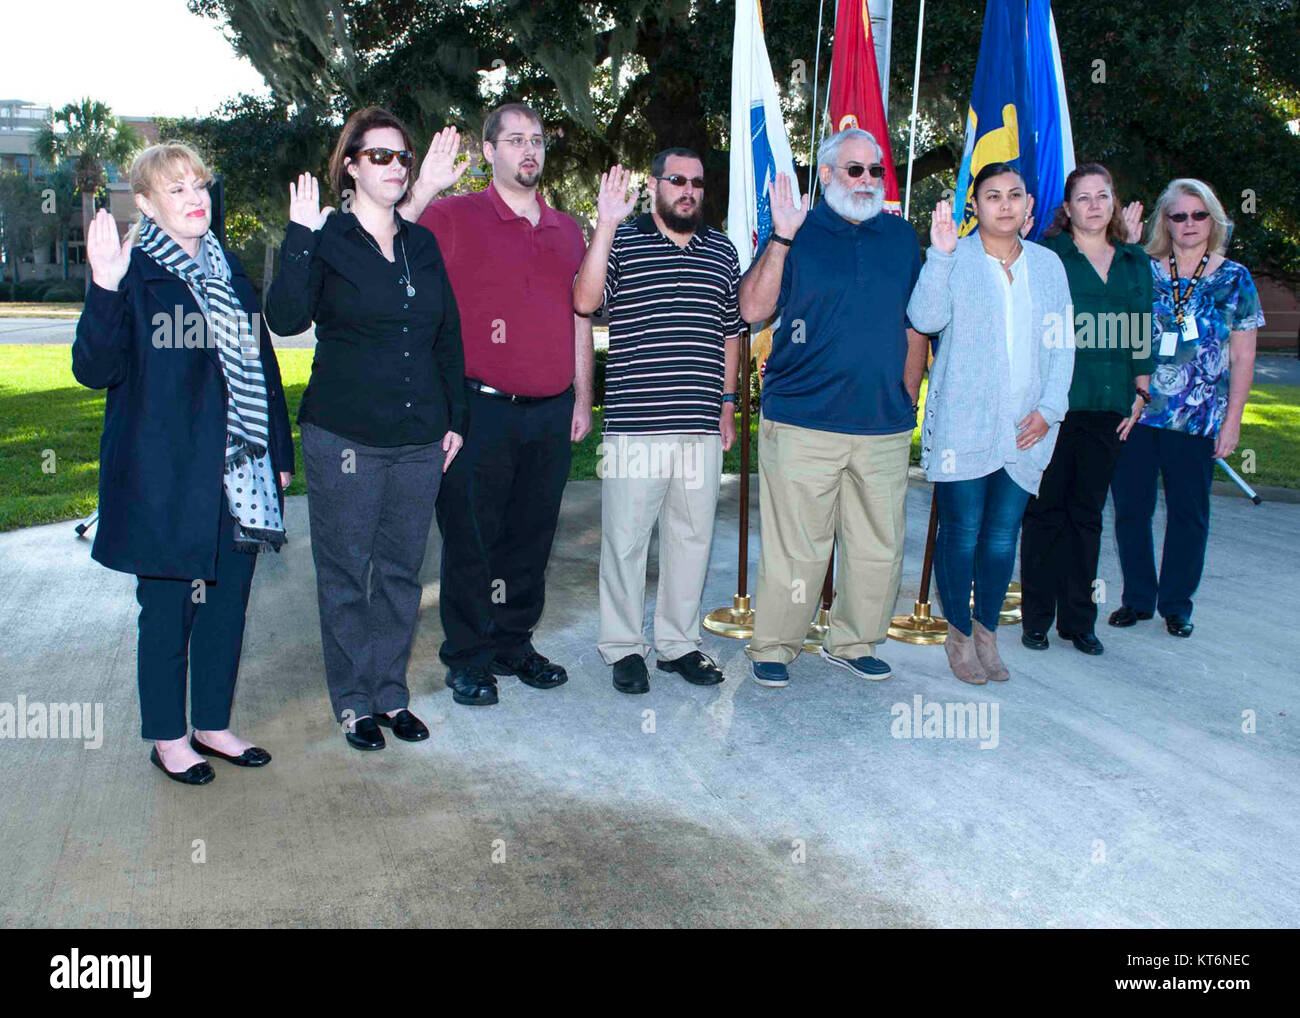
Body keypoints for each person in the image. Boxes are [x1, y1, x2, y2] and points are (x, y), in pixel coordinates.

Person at [73, 142, 294, 784]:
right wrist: (105, 287)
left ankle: (213, 724)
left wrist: (276, 453)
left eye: (199, 185)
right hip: (166, 479)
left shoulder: (231, 272)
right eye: (176, 189)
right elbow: (95, 369)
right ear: (144, 204)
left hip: (240, 475)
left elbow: (264, 370)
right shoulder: (135, 274)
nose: (195, 198)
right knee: (168, 610)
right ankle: (168, 737)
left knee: (227, 605)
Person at [264, 107, 467, 750]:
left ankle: (389, 695)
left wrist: (454, 419)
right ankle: (353, 702)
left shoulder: (422, 243)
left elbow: (447, 337)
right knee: (348, 574)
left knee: (403, 573)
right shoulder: (325, 238)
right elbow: (286, 318)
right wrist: (299, 234)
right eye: (379, 156)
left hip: (417, 440)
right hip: (345, 437)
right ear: (349, 165)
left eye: (402, 157)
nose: (395, 166)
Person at [405, 103, 591, 707]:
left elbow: (580, 317)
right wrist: (427, 185)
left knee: (531, 539)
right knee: (472, 542)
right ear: (489, 152)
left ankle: (513, 643)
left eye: (537, 139)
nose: (528, 150)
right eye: (514, 140)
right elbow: (390, 244)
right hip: (478, 410)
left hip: (551, 409)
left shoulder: (567, 229)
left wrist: (582, 398)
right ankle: (467, 658)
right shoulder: (452, 217)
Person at [737, 128, 928, 689]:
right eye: (855, 170)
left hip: (883, 424)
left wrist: (906, 394)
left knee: (878, 544)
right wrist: (781, 237)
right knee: (798, 547)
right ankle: (775, 645)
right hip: (802, 420)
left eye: (876, 171)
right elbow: (752, 310)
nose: (868, 181)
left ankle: (855, 641)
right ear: (826, 176)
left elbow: (916, 323)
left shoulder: (901, 238)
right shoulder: (798, 231)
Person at [573, 150, 742, 693]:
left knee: (691, 539)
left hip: (699, 424)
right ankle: (623, 646)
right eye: (677, 181)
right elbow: (584, 299)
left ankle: (678, 644)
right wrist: (604, 224)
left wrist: (729, 401)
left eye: (696, 182)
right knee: (625, 541)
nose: (688, 190)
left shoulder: (722, 250)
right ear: (654, 186)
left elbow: (731, 331)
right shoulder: (622, 239)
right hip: (635, 424)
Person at [907, 163, 1075, 685]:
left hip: (1027, 426)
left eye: (1015, 195)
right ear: (974, 206)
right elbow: (926, 319)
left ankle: (986, 635)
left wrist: (1050, 410)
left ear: (1029, 205)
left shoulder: (1049, 267)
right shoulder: (954, 259)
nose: (1005, 204)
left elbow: (1062, 343)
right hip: (964, 424)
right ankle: (957, 636)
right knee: (961, 535)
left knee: (1002, 539)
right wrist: (939, 255)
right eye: (992, 196)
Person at [1108, 178, 1262, 638]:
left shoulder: (1235, 279)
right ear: (1166, 222)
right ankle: (1137, 599)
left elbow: (1243, 356)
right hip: (1139, 413)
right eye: (1179, 215)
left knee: (1189, 515)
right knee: (1131, 510)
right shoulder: (1143, 269)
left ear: (1212, 220)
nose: (1189, 224)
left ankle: (1177, 604)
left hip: (1198, 420)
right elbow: (1121, 336)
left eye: (1199, 215)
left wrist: (1232, 422)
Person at [1019, 163, 1153, 655]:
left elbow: (1141, 329)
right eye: (1084, 197)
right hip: (1053, 405)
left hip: (1109, 405)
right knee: (1044, 513)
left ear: (1113, 202)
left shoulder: (1136, 261)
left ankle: (1078, 622)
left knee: (1087, 515)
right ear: (1068, 207)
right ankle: (1036, 620)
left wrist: (1141, 394)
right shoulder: (1047, 256)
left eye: (1103, 195)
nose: (1094, 205)